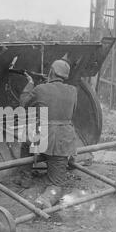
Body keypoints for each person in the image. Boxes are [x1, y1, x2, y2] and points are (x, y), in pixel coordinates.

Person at [20, 60, 78, 209]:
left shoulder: (40, 89)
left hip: (44, 137)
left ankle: (26, 179)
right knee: (56, 180)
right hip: (64, 140)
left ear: (51, 72)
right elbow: (72, 112)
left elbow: (24, 104)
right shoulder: (73, 90)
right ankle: (47, 196)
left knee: (26, 141)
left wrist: (31, 84)